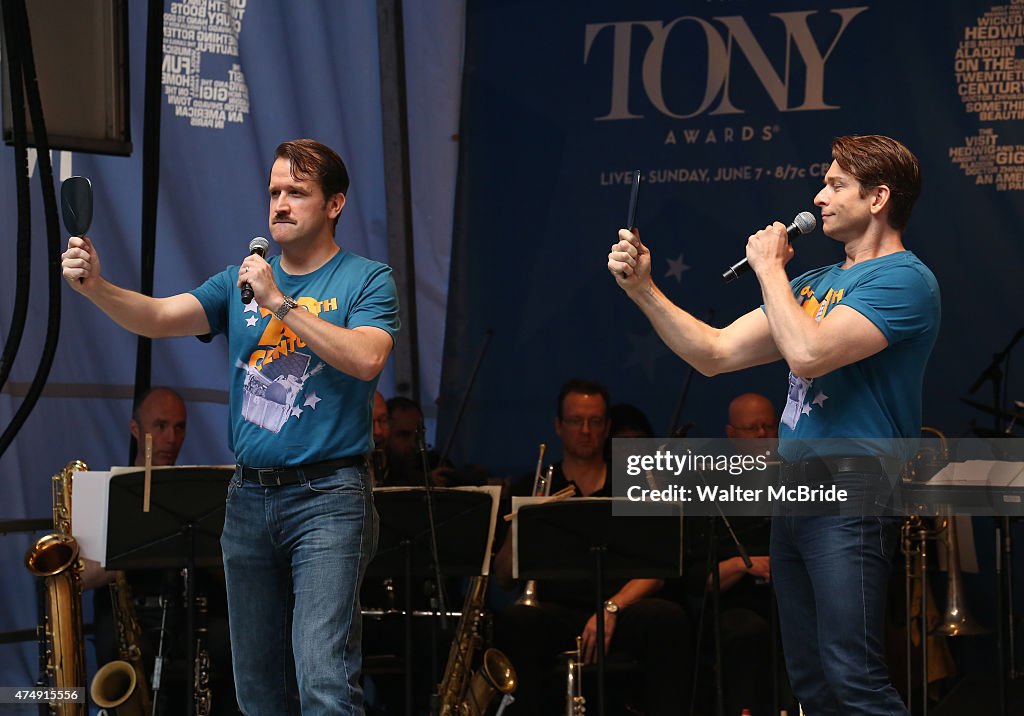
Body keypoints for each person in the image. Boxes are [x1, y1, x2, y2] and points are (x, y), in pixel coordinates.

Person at [62, 138, 400, 715]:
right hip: (248, 496)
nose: (280, 204)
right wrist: (96, 287)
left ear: (335, 203)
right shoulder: (238, 282)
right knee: (254, 683)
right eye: (274, 191)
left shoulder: (365, 280)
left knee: (321, 674)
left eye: (297, 192)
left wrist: (280, 303)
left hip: (329, 496)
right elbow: (159, 316)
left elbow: (367, 359)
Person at [608, 135, 939, 715]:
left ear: (880, 197)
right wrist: (644, 290)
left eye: (837, 185)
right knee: (810, 683)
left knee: (854, 679)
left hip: (852, 496)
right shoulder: (811, 286)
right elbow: (712, 353)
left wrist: (768, 270)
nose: (820, 196)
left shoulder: (904, 280)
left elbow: (809, 355)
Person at [493, 379, 692, 715]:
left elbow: (655, 571)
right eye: (575, 421)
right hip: (554, 609)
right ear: (558, 426)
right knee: (516, 622)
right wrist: (522, 525)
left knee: (667, 618)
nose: (585, 430)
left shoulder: (636, 482)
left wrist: (611, 609)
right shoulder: (534, 484)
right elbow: (503, 578)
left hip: (621, 609)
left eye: (595, 421)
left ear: (607, 427)